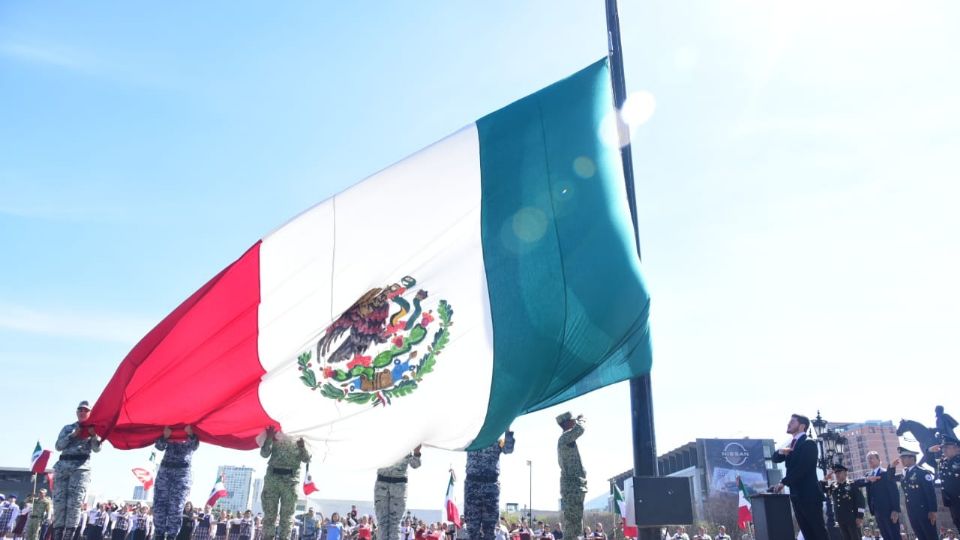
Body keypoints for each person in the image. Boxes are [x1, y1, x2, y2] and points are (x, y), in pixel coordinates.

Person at [771, 414, 828, 540]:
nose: (788, 424)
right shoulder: (791, 444)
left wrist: (783, 482)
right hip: (796, 496)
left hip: (810, 496)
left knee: (818, 532)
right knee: (807, 533)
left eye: (792, 422)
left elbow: (802, 468)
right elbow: (775, 458)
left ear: (802, 426)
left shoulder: (808, 443)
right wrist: (781, 451)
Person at [53, 401, 103, 540]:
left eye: (85, 410)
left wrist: (93, 435)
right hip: (63, 466)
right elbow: (58, 446)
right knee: (59, 503)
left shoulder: (94, 429)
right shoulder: (68, 428)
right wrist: (73, 435)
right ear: (76, 412)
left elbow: (97, 449)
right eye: (80, 409)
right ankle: (57, 535)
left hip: (80, 469)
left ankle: (69, 535)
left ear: (90, 413)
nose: (82, 412)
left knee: (74, 504)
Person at [260, 427, 311, 540]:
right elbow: (264, 454)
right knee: (269, 515)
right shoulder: (276, 434)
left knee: (287, 517)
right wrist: (269, 437)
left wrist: (302, 447)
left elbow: (307, 459)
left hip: (290, 482)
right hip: (272, 480)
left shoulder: (301, 437)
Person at [152, 426, 199, 540]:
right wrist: (165, 436)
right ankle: (159, 535)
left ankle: (171, 536)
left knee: (176, 508)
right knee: (159, 506)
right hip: (165, 470)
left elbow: (194, 446)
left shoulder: (190, 429)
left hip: (182, 473)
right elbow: (159, 446)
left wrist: (190, 434)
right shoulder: (170, 425)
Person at [886, 448, 937, 540]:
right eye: (901, 457)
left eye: (904, 457)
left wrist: (932, 511)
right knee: (920, 535)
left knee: (930, 536)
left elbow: (930, 492)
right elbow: (890, 478)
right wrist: (891, 467)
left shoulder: (921, 472)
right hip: (912, 511)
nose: (901, 460)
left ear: (912, 458)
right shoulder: (905, 474)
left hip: (924, 511)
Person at [374, 447, 422, 540]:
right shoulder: (406, 441)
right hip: (394, 486)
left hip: (386, 486)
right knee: (390, 523)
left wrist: (416, 452)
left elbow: (415, 464)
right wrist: (416, 453)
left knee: (388, 523)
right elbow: (415, 464)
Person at [854, 451, 901, 540]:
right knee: (885, 535)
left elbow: (894, 492)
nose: (869, 460)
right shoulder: (868, 475)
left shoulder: (885, 473)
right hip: (877, 511)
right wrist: (868, 479)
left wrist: (895, 509)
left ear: (879, 459)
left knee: (894, 535)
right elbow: (856, 483)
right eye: (868, 459)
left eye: (872, 458)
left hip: (889, 511)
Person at [556, 413, 586, 540]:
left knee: (575, 522)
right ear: (566, 423)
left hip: (574, 485)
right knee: (572, 524)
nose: (574, 423)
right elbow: (580, 429)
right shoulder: (565, 438)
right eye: (572, 421)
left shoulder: (566, 438)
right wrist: (581, 420)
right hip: (572, 486)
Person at [823, 464, 866, 540]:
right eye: (836, 473)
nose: (837, 474)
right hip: (840, 519)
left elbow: (861, 501)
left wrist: (860, 516)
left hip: (852, 518)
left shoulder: (852, 484)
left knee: (855, 538)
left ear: (845, 473)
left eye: (839, 472)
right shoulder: (834, 486)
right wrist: (826, 478)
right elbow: (822, 489)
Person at [934, 436, 960, 532]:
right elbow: (930, 461)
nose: (943, 450)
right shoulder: (943, 462)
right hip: (952, 502)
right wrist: (929, 450)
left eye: (947, 447)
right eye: (943, 448)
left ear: (956, 448)